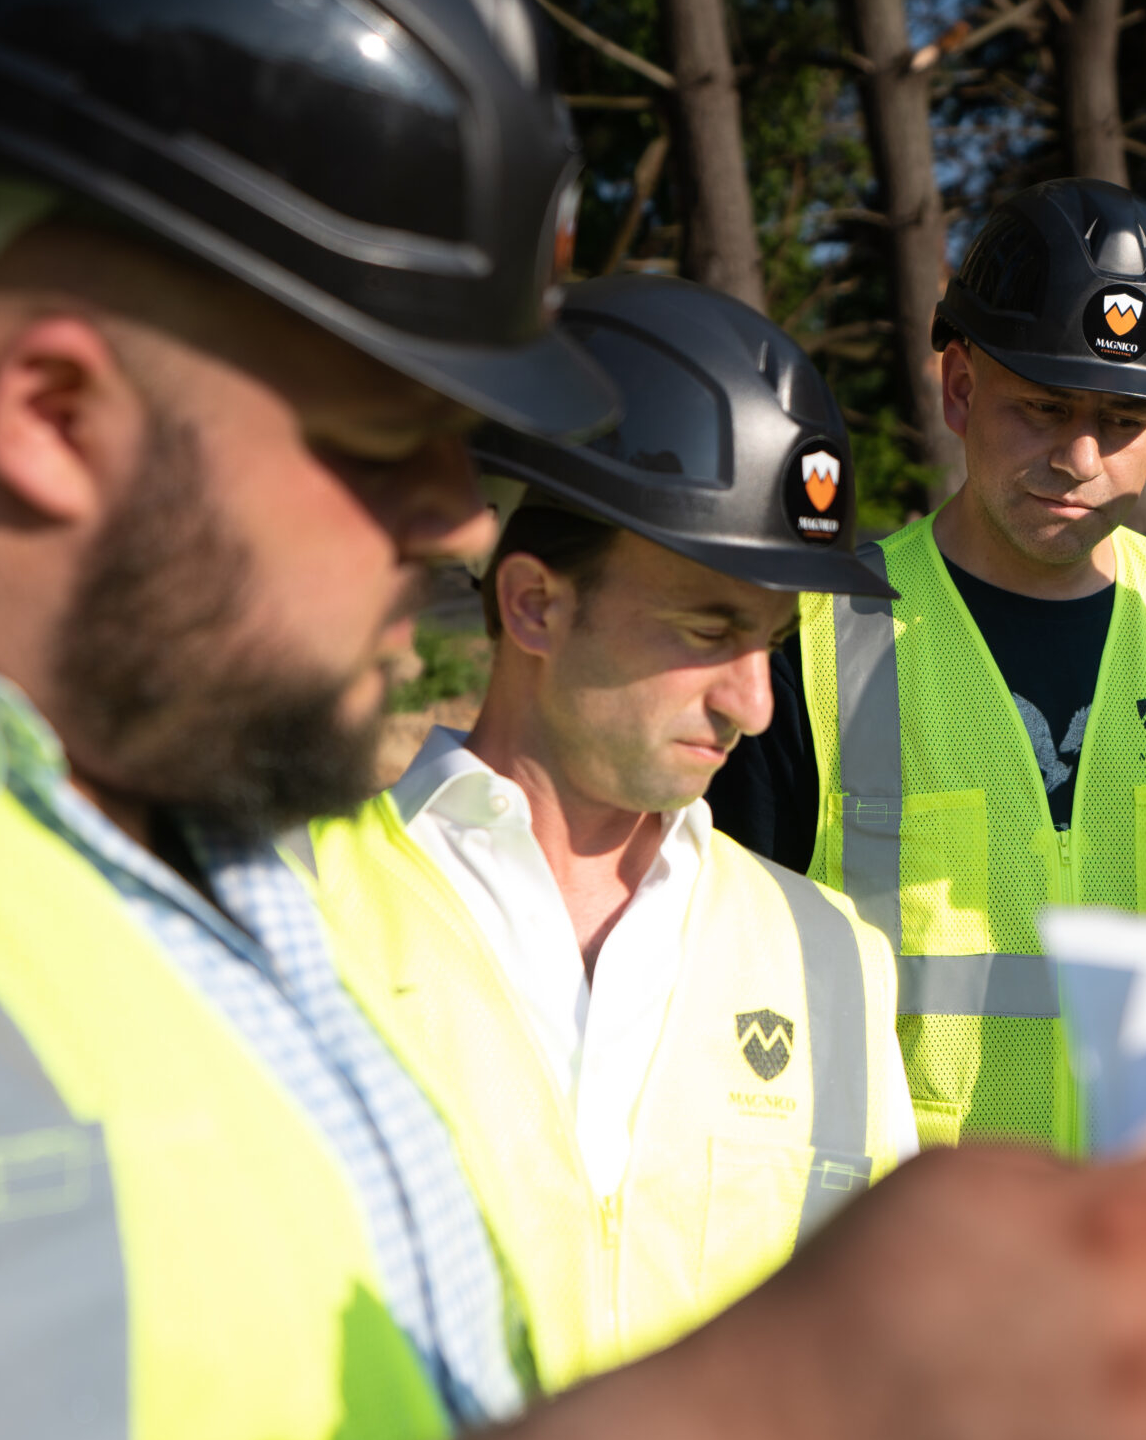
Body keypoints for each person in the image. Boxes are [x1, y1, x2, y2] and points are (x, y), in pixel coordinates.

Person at [0, 3, 1146, 1437]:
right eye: (383, 436)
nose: (461, 530)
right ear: (54, 418)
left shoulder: (178, 843)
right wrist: (771, 1402)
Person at [300, 274, 920, 1391]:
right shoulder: (294, 917)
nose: (756, 703)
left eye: (774, 642)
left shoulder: (832, 961)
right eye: (708, 628)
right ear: (533, 605)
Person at [709, 179, 1146, 1155]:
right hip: (908, 1268)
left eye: (1121, 421)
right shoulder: (818, 636)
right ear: (958, 387)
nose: (1079, 456)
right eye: (1041, 408)